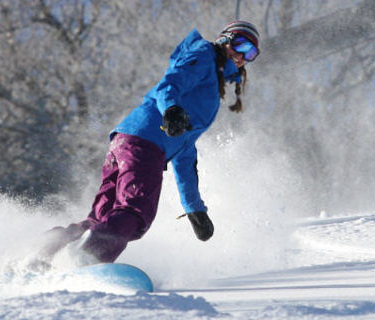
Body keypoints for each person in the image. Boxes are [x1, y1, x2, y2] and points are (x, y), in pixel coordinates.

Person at [38, 21, 261, 266]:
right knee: (135, 210)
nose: (242, 56)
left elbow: (184, 150)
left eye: (251, 53)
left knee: (102, 218)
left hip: (127, 142)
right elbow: (170, 84)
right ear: (225, 39)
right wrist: (172, 109)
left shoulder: (210, 84)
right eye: (241, 44)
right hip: (146, 143)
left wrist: (194, 208)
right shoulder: (204, 55)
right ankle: (87, 257)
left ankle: (45, 252)